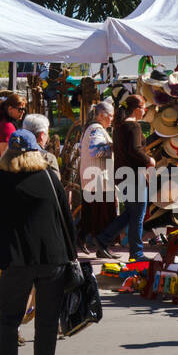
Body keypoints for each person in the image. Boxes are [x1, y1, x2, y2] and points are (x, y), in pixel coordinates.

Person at [0, 130, 79, 355]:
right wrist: (72, 254)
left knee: (9, 321)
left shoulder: (2, 178)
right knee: (47, 323)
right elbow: (67, 218)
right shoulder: (49, 176)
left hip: (16, 259)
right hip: (53, 257)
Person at [97, 118, 155, 262]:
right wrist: (148, 160)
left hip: (122, 175)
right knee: (138, 215)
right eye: (142, 107)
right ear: (137, 109)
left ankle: (103, 239)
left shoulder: (119, 126)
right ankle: (136, 253)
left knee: (131, 213)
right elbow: (134, 149)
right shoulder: (133, 126)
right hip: (134, 175)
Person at [78, 101, 116, 250]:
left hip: (92, 179)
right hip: (99, 180)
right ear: (101, 115)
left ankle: (81, 239)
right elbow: (95, 151)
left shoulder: (90, 129)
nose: (112, 119)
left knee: (90, 215)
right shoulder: (97, 130)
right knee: (101, 217)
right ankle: (102, 247)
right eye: (110, 116)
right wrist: (113, 146)